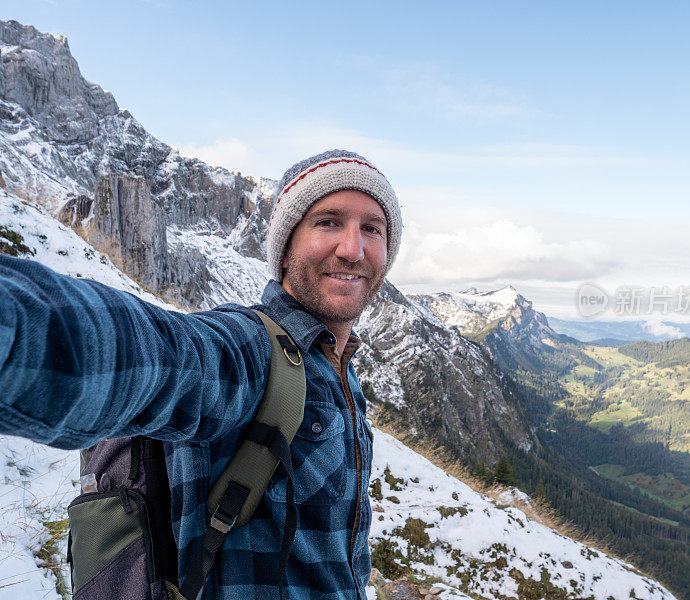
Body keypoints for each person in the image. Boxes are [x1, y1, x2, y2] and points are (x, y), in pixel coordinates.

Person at [0, 149, 403, 599]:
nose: (353, 249)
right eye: (328, 222)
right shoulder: (249, 351)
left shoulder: (340, 372)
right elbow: (146, 353)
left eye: (372, 228)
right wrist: (18, 330)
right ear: (286, 248)